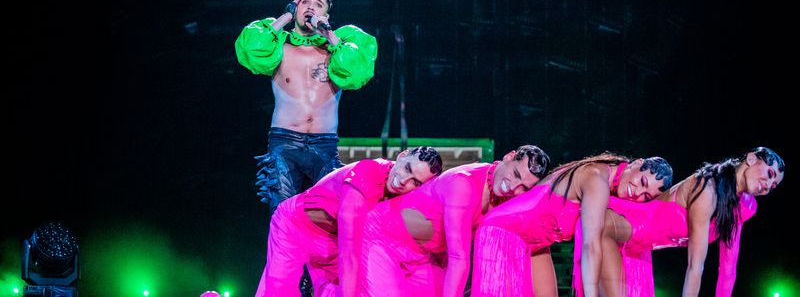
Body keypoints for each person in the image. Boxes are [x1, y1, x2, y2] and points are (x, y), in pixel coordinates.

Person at [234, 0, 378, 214]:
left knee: (326, 216)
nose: (311, 7)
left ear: (326, 15)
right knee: (282, 214)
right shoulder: (279, 43)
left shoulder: (339, 48)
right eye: (304, 2)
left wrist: (328, 33)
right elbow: (251, 47)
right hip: (284, 142)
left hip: (324, 144)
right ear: (295, 7)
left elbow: (358, 72)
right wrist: (285, 17)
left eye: (318, 4)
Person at [577, 146, 785, 297]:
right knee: (596, 221)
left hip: (647, 241)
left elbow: (728, 268)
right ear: (750, 158)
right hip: (637, 223)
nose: (767, 186)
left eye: (773, 186)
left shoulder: (744, 206)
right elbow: (695, 266)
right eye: (769, 174)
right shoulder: (708, 188)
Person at [470, 152, 673, 297]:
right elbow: (590, 246)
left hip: (534, 242)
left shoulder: (612, 184)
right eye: (642, 182)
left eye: (646, 196)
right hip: (503, 230)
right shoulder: (596, 178)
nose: (637, 193)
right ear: (635, 164)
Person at [359, 144, 552, 297]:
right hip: (379, 238)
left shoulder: (506, 199)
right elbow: (458, 258)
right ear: (509, 157)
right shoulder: (463, 183)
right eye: (516, 175)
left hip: (422, 257)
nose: (513, 187)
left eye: (524, 187)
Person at [254, 146, 444, 297]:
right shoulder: (367, 172)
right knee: (278, 291)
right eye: (407, 169)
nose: (404, 180)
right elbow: (350, 245)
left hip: (331, 243)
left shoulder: (405, 199)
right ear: (402, 156)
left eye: (415, 182)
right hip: (294, 227)